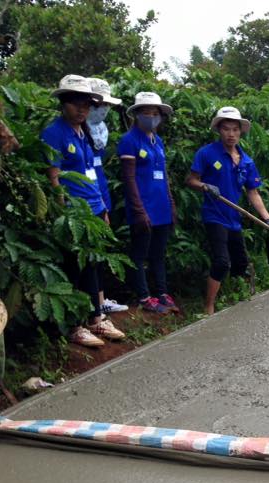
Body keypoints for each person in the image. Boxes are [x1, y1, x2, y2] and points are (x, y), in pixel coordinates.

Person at [41, 74, 125, 347]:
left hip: (94, 209)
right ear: (64, 103)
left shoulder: (83, 133)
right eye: (76, 103)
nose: (82, 109)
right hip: (74, 213)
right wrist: (61, 211)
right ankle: (75, 325)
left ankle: (95, 319)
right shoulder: (54, 133)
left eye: (86, 104)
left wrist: (103, 208)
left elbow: (92, 175)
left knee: (93, 265)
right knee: (74, 267)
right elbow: (54, 177)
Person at [186, 106, 269, 315]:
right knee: (221, 261)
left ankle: (235, 299)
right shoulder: (207, 153)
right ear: (219, 130)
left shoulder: (247, 161)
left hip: (234, 217)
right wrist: (204, 186)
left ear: (240, 131)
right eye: (226, 129)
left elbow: (253, 193)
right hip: (214, 215)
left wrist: (268, 218)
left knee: (240, 264)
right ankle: (208, 306)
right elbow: (191, 180)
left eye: (235, 130)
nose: (231, 134)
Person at [117, 91, 178, 315]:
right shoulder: (129, 141)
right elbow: (129, 178)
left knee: (158, 253)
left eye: (155, 113)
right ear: (136, 114)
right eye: (146, 112)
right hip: (143, 208)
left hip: (161, 206)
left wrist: (170, 203)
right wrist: (139, 210)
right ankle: (144, 296)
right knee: (140, 254)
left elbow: (163, 174)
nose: (151, 117)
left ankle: (161, 292)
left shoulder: (157, 141)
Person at [86, 77, 129, 316]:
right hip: (84, 202)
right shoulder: (73, 131)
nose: (103, 109)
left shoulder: (100, 131)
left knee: (99, 252)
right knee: (89, 256)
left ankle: (101, 300)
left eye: (106, 105)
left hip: (99, 195)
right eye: (98, 104)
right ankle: (93, 306)